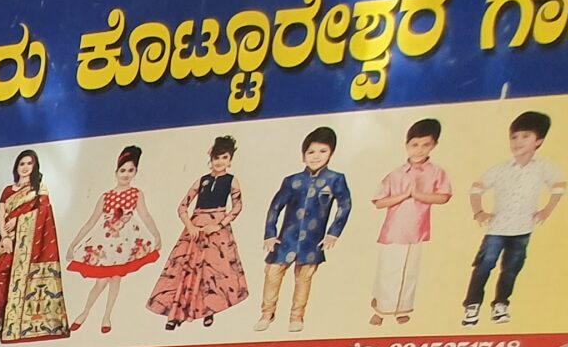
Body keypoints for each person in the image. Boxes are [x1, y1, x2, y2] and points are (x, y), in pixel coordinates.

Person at [462, 110, 563, 326]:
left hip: (523, 229)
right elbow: (476, 188)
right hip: (497, 229)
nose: (518, 142)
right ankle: (472, 305)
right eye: (514, 137)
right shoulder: (501, 169)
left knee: (511, 268)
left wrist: (547, 210)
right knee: (484, 266)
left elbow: (559, 186)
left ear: (538, 141)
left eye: (525, 136)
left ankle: (500, 304)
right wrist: (479, 212)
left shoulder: (543, 168)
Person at [0, 149, 69, 344]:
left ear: (35, 166)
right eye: (22, 163)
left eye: (29, 163)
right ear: (16, 167)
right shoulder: (8, 190)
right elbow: (0, 216)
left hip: (27, 244)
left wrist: (19, 221)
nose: (25, 167)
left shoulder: (39, 190)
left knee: (11, 278)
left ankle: (14, 325)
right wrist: (5, 237)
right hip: (7, 240)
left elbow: (44, 214)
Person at [148, 134, 250, 331]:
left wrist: (219, 225)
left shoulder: (232, 181)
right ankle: (176, 314)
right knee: (185, 269)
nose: (220, 162)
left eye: (225, 158)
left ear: (230, 160)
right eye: (217, 157)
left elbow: (237, 206)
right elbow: (182, 207)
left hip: (217, 230)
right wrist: (191, 226)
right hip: (195, 228)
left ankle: (208, 310)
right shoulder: (201, 180)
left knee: (212, 271)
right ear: (210, 157)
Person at [256, 126, 351, 331]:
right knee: (272, 273)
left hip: (312, 241)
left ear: (331, 153)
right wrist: (270, 234)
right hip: (286, 239)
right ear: (303, 155)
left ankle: (296, 316)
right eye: (311, 152)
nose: (316, 156)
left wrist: (333, 232)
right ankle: (267, 313)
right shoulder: (293, 181)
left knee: (304, 278)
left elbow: (345, 205)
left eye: (322, 151)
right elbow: (275, 206)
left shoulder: (336, 179)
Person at [66, 145, 162, 337]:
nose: (126, 174)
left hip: (124, 244)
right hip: (105, 243)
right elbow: (91, 222)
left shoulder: (136, 193)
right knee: (100, 282)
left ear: (135, 172)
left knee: (116, 280)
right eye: (123, 170)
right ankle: (85, 312)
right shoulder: (106, 196)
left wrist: (156, 235)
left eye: (130, 170)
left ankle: (106, 316)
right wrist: (73, 245)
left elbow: (145, 215)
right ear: (116, 172)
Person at [367, 116, 450, 325]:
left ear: (434, 145)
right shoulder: (395, 174)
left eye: (425, 145)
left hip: (416, 231)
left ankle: (402, 309)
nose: (419, 150)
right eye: (415, 145)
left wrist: (419, 195)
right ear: (406, 145)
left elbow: (444, 196)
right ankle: (381, 310)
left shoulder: (436, 172)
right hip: (393, 231)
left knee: (409, 272)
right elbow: (378, 202)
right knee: (387, 270)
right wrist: (404, 195)